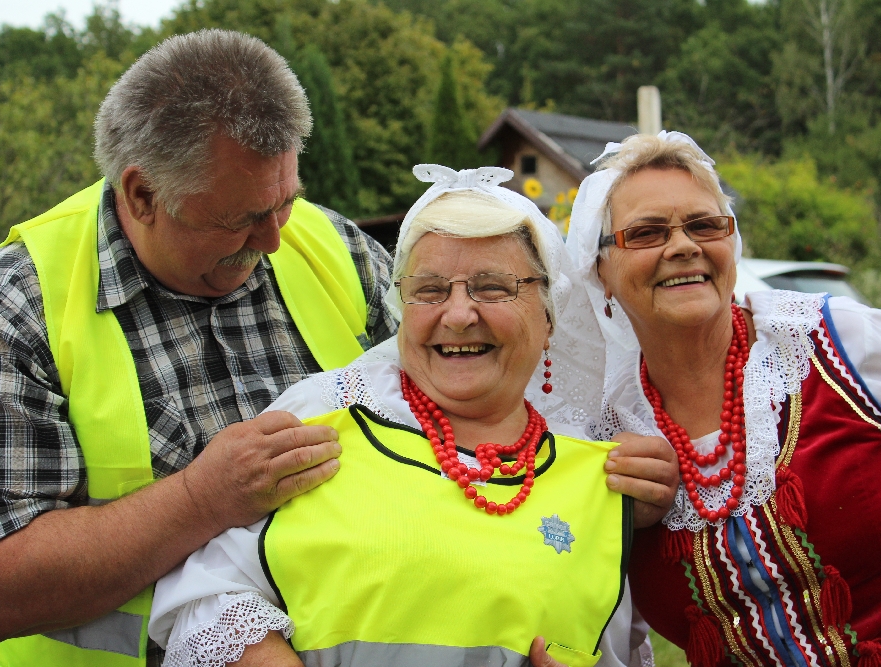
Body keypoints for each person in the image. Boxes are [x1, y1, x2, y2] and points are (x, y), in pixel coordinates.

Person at [0, 30, 398, 667]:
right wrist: (202, 500)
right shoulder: (7, 311)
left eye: (286, 201)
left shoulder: (341, 251)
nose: (273, 239)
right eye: (237, 218)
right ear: (142, 194)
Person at [148, 164, 678, 667]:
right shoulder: (322, 422)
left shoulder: (599, 470)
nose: (459, 314)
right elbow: (202, 600)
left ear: (549, 313)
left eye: (493, 287)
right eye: (429, 291)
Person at [565, 131, 881, 667]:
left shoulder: (840, 341)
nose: (683, 246)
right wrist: (625, 522)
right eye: (648, 233)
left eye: (704, 225)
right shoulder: (603, 436)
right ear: (599, 270)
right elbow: (603, 635)